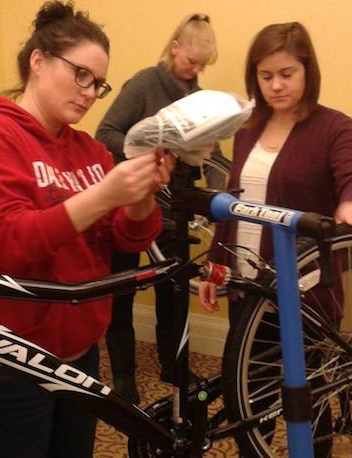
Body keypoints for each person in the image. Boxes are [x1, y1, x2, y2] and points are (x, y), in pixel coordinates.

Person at [0, 2, 172, 457]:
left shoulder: (89, 150)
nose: (89, 93)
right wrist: (104, 196)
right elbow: (9, 246)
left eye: (99, 84)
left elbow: (127, 240)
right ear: (39, 61)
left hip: (77, 352)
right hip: (4, 356)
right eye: (80, 74)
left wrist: (142, 193)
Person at [198, 22, 352, 457]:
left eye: (287, 73)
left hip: (306, 294)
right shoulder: (247, 129)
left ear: (308, 72)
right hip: (248, 287)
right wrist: (215, 264)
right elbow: (234, 201)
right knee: (250, 392)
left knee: (311, 396)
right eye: (266, 76)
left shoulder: (335, 127)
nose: (276, 85)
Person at [95, 12, 221, 404]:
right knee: (123, 289)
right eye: (191, 61)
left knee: (174, 290)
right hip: (131, 202)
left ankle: (173, 365)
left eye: (202, 65)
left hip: (175, 208)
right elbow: (105, 135)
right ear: (175, 47)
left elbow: (215, 156)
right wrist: (150, 146)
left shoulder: (197, 97)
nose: (195, 69)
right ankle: (124, 376)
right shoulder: (144, 84)